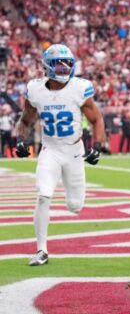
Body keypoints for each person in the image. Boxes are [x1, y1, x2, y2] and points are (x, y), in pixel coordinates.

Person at [14, 44, 105, 266]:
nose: (64, 69)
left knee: (75, 206)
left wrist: (98, 146)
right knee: (43, 194)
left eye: (67, 64)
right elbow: (26, 119)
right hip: (50, 150)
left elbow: (96, 119)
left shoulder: (79, 88)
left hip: (74, 151)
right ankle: (41, 250)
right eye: (59, 64)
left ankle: (71, 201)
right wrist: (20, 140)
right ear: (47, 66)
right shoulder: (36, 89)